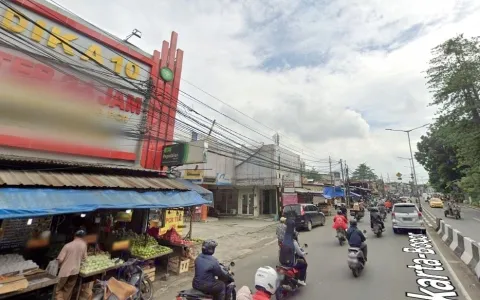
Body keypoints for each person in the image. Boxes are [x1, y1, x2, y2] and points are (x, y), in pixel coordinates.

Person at [56, 229, 87, 300]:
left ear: (74, 236)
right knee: (68, 289)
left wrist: (57, 265)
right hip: (75, 271)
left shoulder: (67, 245)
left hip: (64, 272)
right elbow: (85, 258)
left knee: (57, 289)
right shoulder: (84, 245)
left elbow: (60, 259)